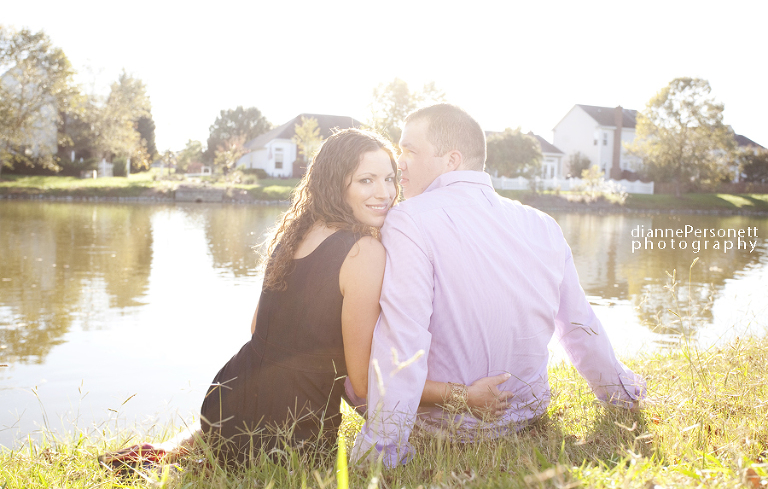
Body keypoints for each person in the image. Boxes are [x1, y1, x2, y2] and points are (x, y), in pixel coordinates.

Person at [99, 128, 508, 472]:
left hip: (227, 396)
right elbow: (365, 382)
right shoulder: (364, 253)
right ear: (337, 184)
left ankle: (167, 453)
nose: (384, 193)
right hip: (292, 429)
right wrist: (464, 396)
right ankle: (177, 456)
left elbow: (258, 330)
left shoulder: (295, 233)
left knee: (218, 445)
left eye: (389, 179)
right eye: (367, 180)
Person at [351, 104, 646, 467]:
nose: (400, 163)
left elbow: (403, 337)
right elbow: (579, 326)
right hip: (528, 413)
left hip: (450, 423)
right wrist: (621, 394)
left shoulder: (408, 220)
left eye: (409, 150)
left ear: (451, 159)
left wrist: (383, 447)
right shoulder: (542, 224)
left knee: (346, 368)